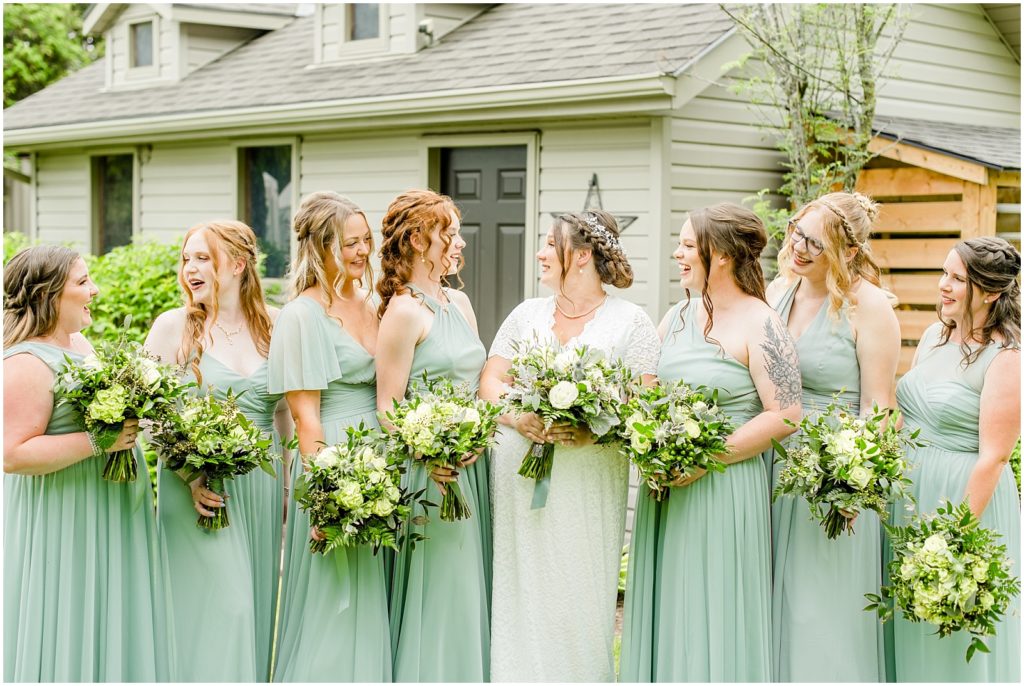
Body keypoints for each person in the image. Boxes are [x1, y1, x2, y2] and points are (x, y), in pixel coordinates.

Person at [620, 203, 802, 682]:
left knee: (712, 603)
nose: (677, 253)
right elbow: (646, 389)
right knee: (671, 601)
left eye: (685, 244)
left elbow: (786, 414)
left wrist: (706, 458)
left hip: (724, 488)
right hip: (668, 491)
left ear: (719, 254)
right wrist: (651, 440)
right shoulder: (676, 315)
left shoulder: (762, 323)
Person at [479, 210, 659, 682]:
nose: (539, 253)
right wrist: (519, 417)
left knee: (577, 588)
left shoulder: (632, 322)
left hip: (589, 478)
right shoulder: (525, 314)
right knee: (520, 586)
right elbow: (490, 382)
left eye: (548, 244)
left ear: (580, 256)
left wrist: (592, 430)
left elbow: (644, 404)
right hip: (520, 472)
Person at [3, 245, 168, 681]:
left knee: (108, 609)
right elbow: (13, 454)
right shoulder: (26, 361)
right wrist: (99, 441)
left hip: (106, 508)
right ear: (49, 295)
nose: (93, 290)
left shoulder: (78, 343)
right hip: (65, 516)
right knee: (70, 611)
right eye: (82, 282)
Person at [145, 220, 290, 681]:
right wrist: (190, 474)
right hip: (196, 490)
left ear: (239, 264)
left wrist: (289, 484)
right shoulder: (173, 328)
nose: (190, 268)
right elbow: (148, 416)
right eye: (186, 258)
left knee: (256, 610)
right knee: (227, 609)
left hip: (261, 489)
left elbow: (285, 414)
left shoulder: (276, 325)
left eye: (202, 258)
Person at [765, 192, 900, 682]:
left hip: (831, 476)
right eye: (797, 232)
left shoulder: (869, 307)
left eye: (814, 243)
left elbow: (880, 406)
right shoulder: (780, 289)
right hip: (771, 464)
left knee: (820, 607)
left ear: (846, 251)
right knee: (776, 598)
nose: (799, 247)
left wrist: (854, 482)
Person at [268, 191, 392, 682]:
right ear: (320, 247)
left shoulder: (373, 300)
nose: (364, 252)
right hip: (333, 460)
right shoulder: (302, 315)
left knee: (374, 592)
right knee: (337, 598)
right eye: (351, 243)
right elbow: (306, 420)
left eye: (367, 240)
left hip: (381, 457)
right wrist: (326, 497)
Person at [889, 236, 1020, 682]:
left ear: (990, 292)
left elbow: (995, 458)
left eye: (957, 279)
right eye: (943, 273)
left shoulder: (1006, 358)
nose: (943, 286)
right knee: (910, 624)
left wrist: (949, 538)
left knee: (953, 634)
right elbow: (907, 416)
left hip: (963, 503)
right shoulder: (932, 335)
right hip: (910, 499)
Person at [375, 189, 491, 682]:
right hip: (430, 473)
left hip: (473, 466)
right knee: (444, 587)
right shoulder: (403, 311)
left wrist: (478, 435)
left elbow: (477, 381)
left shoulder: (459, 302)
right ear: (421, 241)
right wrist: (428, 450)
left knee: (471, 584)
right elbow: (387, 406)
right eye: (450, 233)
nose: (460, 242)